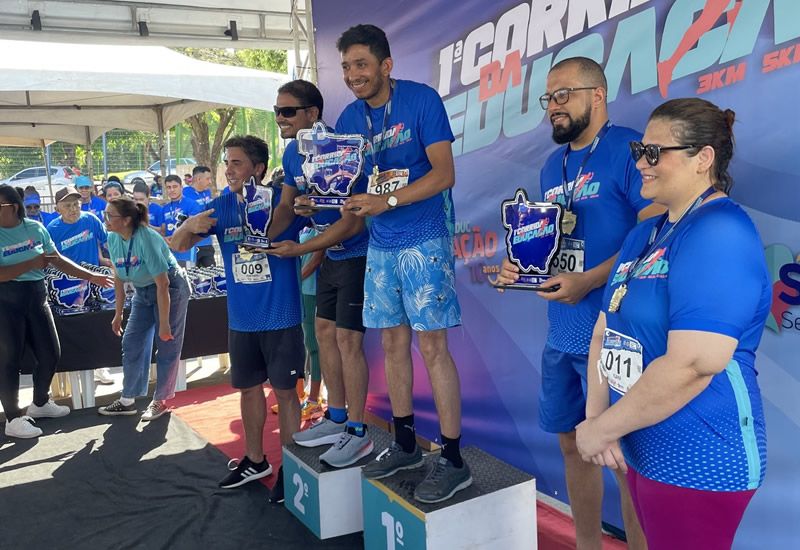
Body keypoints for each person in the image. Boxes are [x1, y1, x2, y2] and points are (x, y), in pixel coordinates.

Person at [575, 98, 769, 550]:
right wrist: (596, 415)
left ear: (704, 159)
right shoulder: (644, 233)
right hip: (642, 448)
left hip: (699, 454)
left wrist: (601, 430)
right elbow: (607, 330)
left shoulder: (720, 230)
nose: (642, 163)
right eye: (640, 150)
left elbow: (695, 363)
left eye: (655, 152)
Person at [496, 57, 659, 548]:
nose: (554, 107)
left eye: (564, 94)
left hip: (618, 332)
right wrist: (522, 269)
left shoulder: (630, 150)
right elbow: (549, 243)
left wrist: (590, 280)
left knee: (628, 460)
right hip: (563, 329)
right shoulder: (553, 164)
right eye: (549, 99)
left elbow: (653, 231)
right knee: (573, 447)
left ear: (598, 95)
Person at [334, 24, 467, 503]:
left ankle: (451, 456)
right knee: (392, 344)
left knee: (432, 348)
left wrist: (386, 203)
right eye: (347, 67)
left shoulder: (421, 100)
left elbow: (444, 174)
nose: (353, 75)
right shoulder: (349, 117)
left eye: (361, 65)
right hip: (381, 245)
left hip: (425, 237)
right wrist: (325, 202)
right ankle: (406, 442)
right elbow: (350, 186)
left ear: (386, 65)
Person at [171, 135, 305, 503]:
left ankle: (292, 470)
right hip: (242, 320)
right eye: (226, 163)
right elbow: (177, 245)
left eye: (237, 163)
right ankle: (255, 459)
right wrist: (190, 225)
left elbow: (318, 230)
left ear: (258, 169)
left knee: (286, 394)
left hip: (281, 316)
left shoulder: (282, 203)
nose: (228, 170)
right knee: (247, 389)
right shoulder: (220, 207)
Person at [267, 79, 373, 468]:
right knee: (324, 333)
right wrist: (261, 240)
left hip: (358, 252)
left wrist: (302, 247)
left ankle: (359, 432)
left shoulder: (342, 147)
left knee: (348, 340)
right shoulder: (293, 155)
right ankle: (337, 417)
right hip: (330, 253)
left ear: (312, 113)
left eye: (288, 111)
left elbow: (354, 222)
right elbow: (287, 206)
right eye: (276, 111)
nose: (280, 118)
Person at [0, 184, 112, 438]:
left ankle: (40, 403)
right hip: (6, 301)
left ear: (13, 208)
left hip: (37, 296)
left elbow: (57, 259)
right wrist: (30, 262)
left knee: (51, 352)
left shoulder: (35, 229)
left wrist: (90, 276)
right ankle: (13, 418)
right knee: (9, 361)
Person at [97, 196, 190, 421]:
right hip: (142, 291)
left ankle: (161, 400)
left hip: (170, 288)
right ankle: (128, 399)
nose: (106, 219)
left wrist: (165, 323)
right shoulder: (113, 238)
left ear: (127, 220)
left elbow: (164, 284)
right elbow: (118, 278)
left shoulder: (146, 238)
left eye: (110, 215)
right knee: (132, 341)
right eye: (106, 214)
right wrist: (118, 313)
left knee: (167, 344)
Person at [46, 186, 115, 385]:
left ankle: (101, 367)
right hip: (68, 288)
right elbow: (49, 260)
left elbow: (108, 242)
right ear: (57, 208)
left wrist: (118, 261)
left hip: (96, 283)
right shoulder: (52, 229)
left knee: (99, 323)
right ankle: (72, 371)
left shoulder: (90, 220)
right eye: (67, 205)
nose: (73, 209)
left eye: (76, 204)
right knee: (75, 328)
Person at [161, 174, 200, 267]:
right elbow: (163, 231)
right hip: (169, 255)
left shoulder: (191, 204)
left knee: (187, 280)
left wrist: (177, 238)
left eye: (175, 186)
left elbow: (194, 229)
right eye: (168, 187)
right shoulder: (165, 208)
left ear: (181, 187)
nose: (172, 190)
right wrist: (164, 239)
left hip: (186, 253)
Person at [182, 166, 216, 267]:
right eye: (207, 179)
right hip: (192, 245)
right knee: (193, 279)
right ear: (198, 179)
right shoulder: (185, 193)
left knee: (213, 276)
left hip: (207, 242)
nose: (210, 182)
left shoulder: (207, 192)